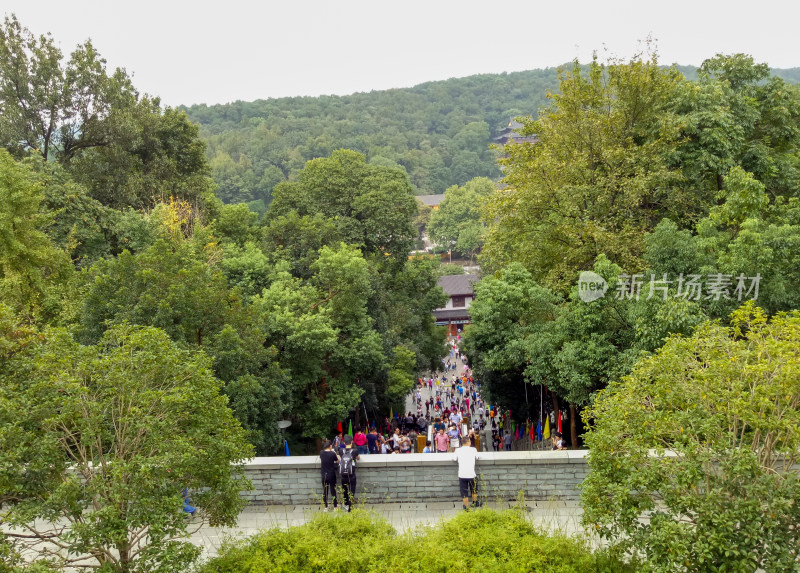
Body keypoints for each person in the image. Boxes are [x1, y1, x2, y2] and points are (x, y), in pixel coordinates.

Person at [453, 437, 480, 510]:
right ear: (468, 442)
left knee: (464, 491)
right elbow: (478, 457)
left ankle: (466, 507)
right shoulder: (473, 449)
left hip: (462, 474)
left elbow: (454, 459)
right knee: (474, 489)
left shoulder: (458, 450)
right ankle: (474, 503)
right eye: (470, 441)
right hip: (472, 474)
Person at [340, 435, 360, 511]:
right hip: (352, 475)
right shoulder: (355, 451)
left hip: (343, 475)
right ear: (352, 442)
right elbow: (358, 458)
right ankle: (351, 507)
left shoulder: (341, 450)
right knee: (352, 490)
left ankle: (346, 505)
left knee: (345, 490)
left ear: (344, 443)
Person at [319, 439, 339, 511]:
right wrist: (334, 452)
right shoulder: (332, 453)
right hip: (331, 474)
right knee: (333, 490)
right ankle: (335, 506)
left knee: (325, 491)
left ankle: (326, 507)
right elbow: (337, 461)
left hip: (324, 475)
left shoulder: (321, 453)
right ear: (330, 446)